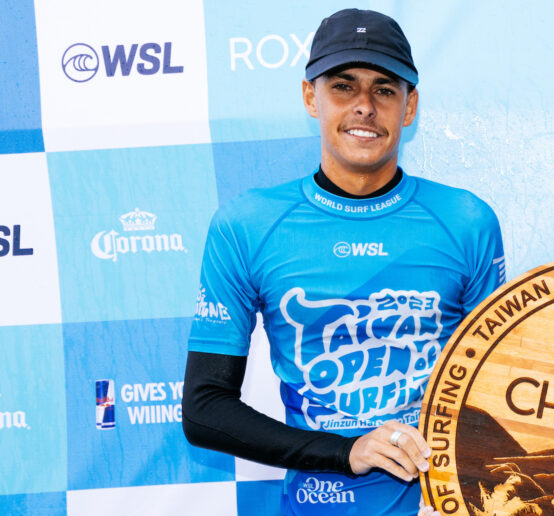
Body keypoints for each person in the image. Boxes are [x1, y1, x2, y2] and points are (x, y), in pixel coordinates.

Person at [182, 8, 505, 515]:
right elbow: (204, 409)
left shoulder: (466, 220)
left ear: (409, 106)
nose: (364, 107)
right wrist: (346, 451)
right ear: (311, 97)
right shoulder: (247, 225)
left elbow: (501, 388)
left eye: (384, 89)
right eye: (343, 86)